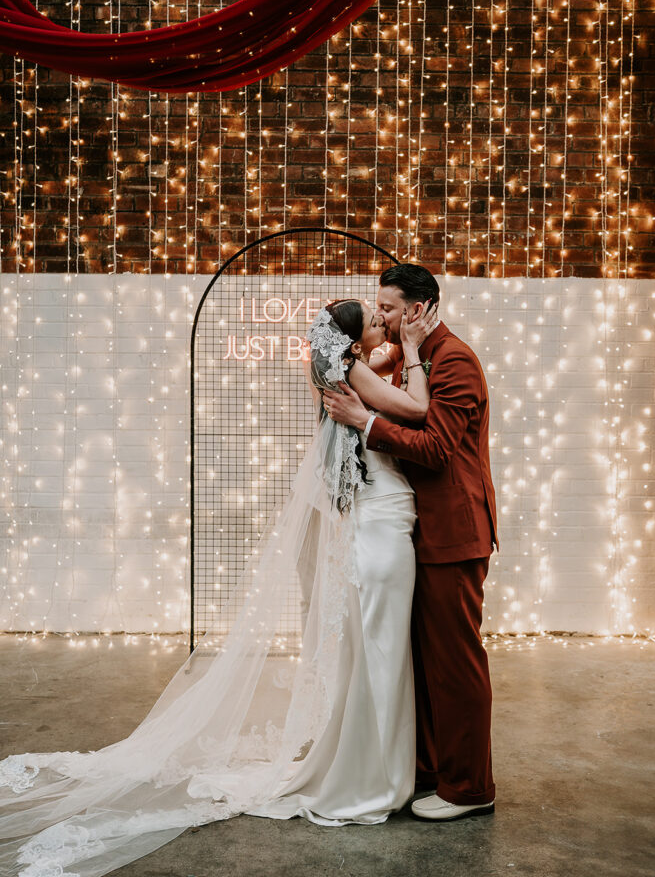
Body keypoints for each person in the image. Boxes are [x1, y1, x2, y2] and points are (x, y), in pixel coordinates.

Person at [0, 297, 437, 877]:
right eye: (377, 320)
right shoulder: (360, 374)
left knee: (367, 647)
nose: (387, 325)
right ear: (356, 341)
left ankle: (371, 761)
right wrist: (411, 352)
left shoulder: (336, 369)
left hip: (372, 513)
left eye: (388, 314)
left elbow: (369, 366)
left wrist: (387, 351)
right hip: (378, 512)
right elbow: (416, 408)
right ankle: (369, 774)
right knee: (376, 648)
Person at [323, 264, 498, 822]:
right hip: (416, 532)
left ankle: (470, 788)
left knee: (455, 662)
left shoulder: (456, 360)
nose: (383, 318)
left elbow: (440, 446)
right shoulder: (409, 357)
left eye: (390, 309)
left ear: (419, 309)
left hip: (453, 533)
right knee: (424, 662)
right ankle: (428, 769)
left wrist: (365, 424)